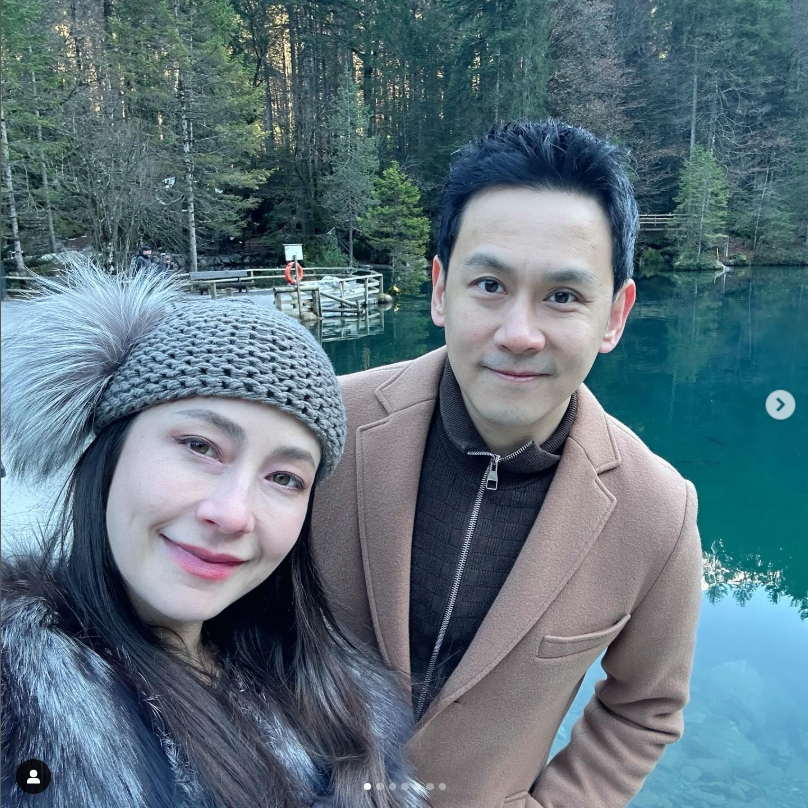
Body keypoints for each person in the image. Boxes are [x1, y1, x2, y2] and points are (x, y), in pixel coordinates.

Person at [310, 120, 702, 807]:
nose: (519, 334)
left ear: (615, 315)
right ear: (440, 289)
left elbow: (645, 707)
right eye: (489, 284)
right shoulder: (322, 428)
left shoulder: (658, 515)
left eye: (563, 296)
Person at [0, 264, 429, 808]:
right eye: (200, 446)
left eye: (284, 478)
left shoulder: (342, 701)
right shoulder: (17, 704)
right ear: (109, 452)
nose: (232, 514)